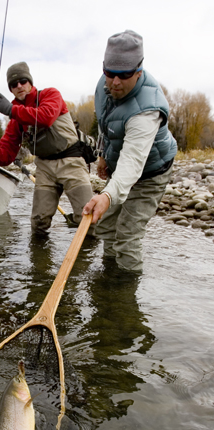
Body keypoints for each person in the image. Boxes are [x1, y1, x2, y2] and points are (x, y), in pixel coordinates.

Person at [83, 30, 177, 272]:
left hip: (151, 171)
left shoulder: (147, 110)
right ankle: (108, 282)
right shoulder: (104, 85)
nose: (115, 82)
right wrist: (103, 156)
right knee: (105, 227)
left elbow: (133, 162)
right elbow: (105, 123)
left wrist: (106, 195)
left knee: (127, 236)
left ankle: (124, 299)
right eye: (110, 74)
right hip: (121, 163)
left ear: (138, 71)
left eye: (124, 75)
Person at [0, 62, 93, 234]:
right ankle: (39, 261)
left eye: (23, 80)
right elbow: (6, 158)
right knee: (38, 224)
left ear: (30, 82)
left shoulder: (51, 94)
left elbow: (45, 117)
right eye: (13, 84)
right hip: (44, 168)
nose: (19, 86)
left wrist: (11, 109)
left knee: (88, 220)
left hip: (71, 161)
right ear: (10, 89)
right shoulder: (15, 120)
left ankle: (87, 259)